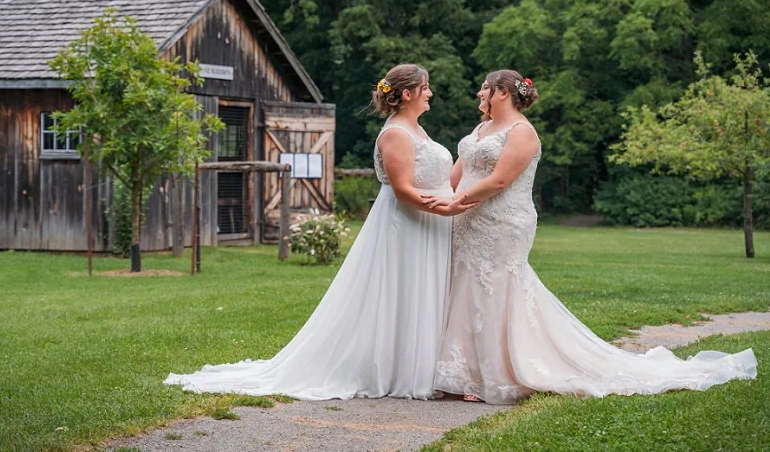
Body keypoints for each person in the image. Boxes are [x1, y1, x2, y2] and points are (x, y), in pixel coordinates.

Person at [426, 69, 757, 404]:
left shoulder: (523, 133)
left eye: (485, 88)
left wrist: (456, 202)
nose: (480, 93)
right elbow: (461, 169)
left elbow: (499, 181)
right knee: (467, 286)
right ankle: (463, 372)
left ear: (502, 93)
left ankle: (496, 374)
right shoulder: (481, 128)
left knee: (496, 288)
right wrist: (437, 197)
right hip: (467, 220)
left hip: (502, 221)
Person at [165, 63, 474, 400]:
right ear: (407, 93)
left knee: (417, 292)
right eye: (425, 87)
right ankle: (397, 372)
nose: (430, 93)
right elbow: (402, 189)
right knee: (401, 292)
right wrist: (446, 208)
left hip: (427, 225)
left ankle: (418, 365)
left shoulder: (415, 130)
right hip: (409, 224)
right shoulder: (396, 134)